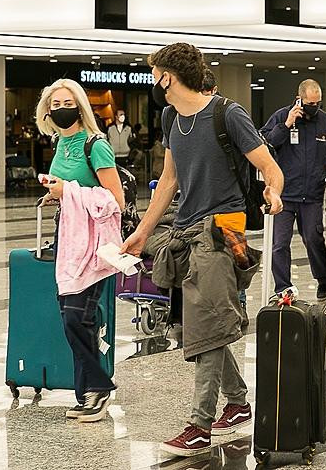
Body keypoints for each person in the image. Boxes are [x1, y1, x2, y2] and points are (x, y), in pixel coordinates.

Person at [121, 42, 284, 458]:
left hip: (226, 229)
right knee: (182, 325)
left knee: (207, 325)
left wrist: (274, 191)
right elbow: (170, 179)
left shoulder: (228, 114)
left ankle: (199, 425)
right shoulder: (170, 116)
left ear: (168, 77)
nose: (153, 82)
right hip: (187, 226)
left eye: (155, 74)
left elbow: (270, 167)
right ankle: (238, 400)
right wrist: (143, 231)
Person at [35, 78, 126, 423]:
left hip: (94, 242)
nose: (61, 109)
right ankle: (87, 391)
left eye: (66, 103)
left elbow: (115, 200)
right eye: (54, 105)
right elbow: (69, 186)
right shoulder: (60, 142)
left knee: (77, 314)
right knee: (73, 315)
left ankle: (98, 387)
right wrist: (56, 194)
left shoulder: (95, 144)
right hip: (69, 236)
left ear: (80, 106)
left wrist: (69, 193)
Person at [260, 79, 326, 297]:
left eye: (317, 103)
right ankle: (282, 287)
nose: (314, 107)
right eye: (309, 103)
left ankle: (324, 282)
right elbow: (266, 144)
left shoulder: (325, 121)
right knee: (280, 243)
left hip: (312, 193)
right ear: (299, 99)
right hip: (284, 194)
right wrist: (286, 125)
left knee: (314, 239)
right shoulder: (281, 116)